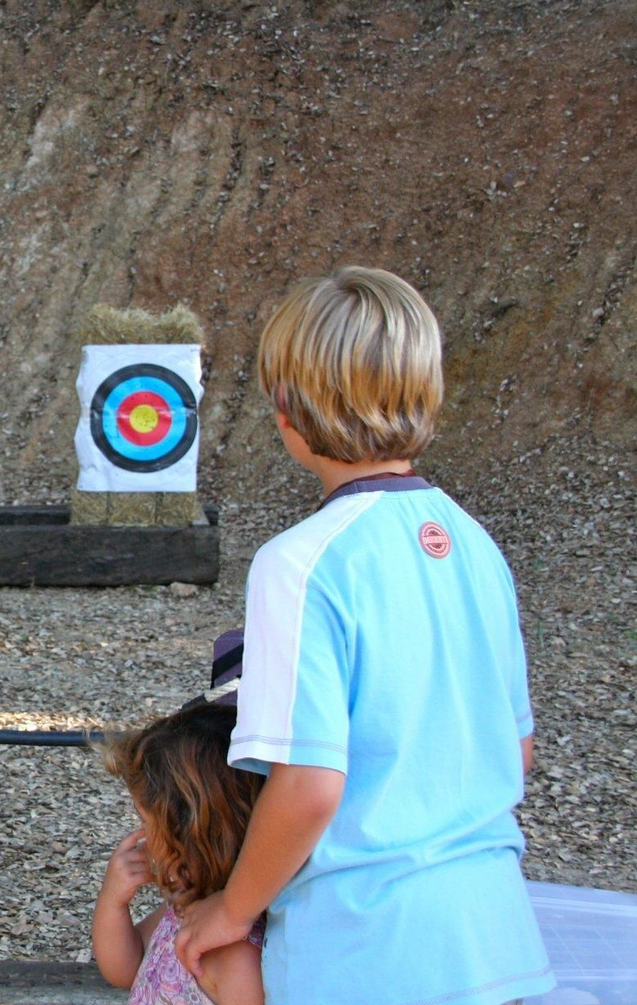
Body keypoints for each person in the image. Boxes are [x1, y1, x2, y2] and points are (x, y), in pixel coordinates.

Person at [174, 267, 555, 1005]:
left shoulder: (299, 563)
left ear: (288, 408)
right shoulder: (477, 546)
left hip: (368, 951)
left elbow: (309, 784)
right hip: (497, 940)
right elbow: (515, 750)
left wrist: (234, 907)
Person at [93, 702, 266, 1005]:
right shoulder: (184, 904)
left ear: (190, 837)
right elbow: (125, 969)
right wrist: (114, 902)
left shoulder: (236, 956)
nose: (142, 836)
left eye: (146, 822)